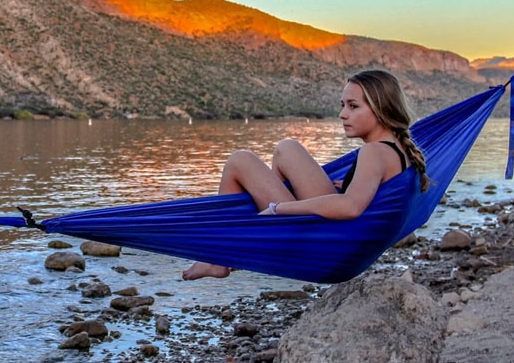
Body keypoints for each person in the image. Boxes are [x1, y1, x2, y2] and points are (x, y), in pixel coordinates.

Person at [182, 69, 429, 280]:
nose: (343, 114)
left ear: (381, 109)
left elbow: (351, 207)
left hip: (328, 249)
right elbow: (377, 196)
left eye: (353, 106)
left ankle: (219, 256)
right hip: (344, 244)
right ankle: (256, 240)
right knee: (287, 148)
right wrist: (349, 183)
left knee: (240, 160)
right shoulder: (397, 150)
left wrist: (278, 208)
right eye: (342, 105)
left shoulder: (373, 152)